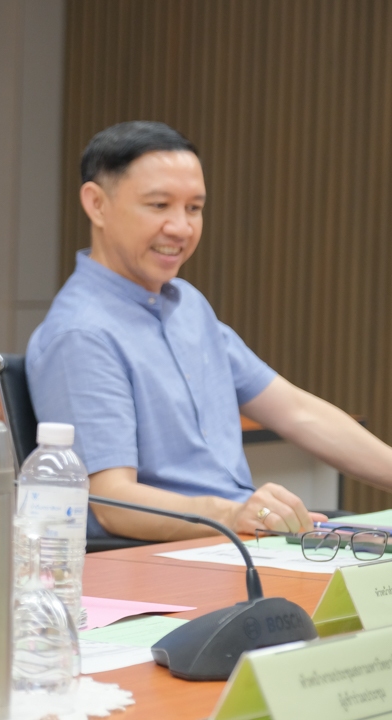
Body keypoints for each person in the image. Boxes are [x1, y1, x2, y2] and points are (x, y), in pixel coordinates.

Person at [26, 121, 392, 542]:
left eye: (194, 208)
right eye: (159, 205)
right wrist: (232, 513)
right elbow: (112, 501)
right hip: (178, 555)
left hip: (238, 540)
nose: (181, 228)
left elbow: (296, 411)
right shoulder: (81, 333)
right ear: (97, 204)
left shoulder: (187, 305)